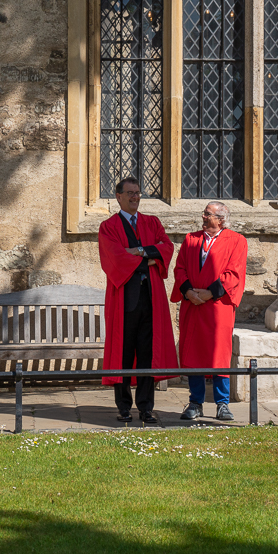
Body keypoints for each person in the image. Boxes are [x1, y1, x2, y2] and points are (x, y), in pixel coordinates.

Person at [98, 176, 179, 423]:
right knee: (123, 353)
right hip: (124, 298)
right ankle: (123, 406)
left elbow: (167, 247)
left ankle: (145, 407)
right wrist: (149, 258)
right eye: (130, 193)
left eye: (137, 193)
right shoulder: (109, 227)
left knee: (147, 353)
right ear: (118, 197)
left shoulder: (152, 222)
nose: (135, 197)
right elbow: (115, 259)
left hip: (151, 297)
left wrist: (139, 251)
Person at [171, 201, 248, 421]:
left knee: (219, 354)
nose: (203, 217)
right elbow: (180, 268)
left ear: (221, 219)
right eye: (204, 213)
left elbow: (234, 273)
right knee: (193, 352)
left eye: (208, 214)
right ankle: (195, 402)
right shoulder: (191, 239)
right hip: (193, 304)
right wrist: (188, 292)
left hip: (218, 306)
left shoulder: (237, 241)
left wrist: (209, 293)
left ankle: (222, 404)